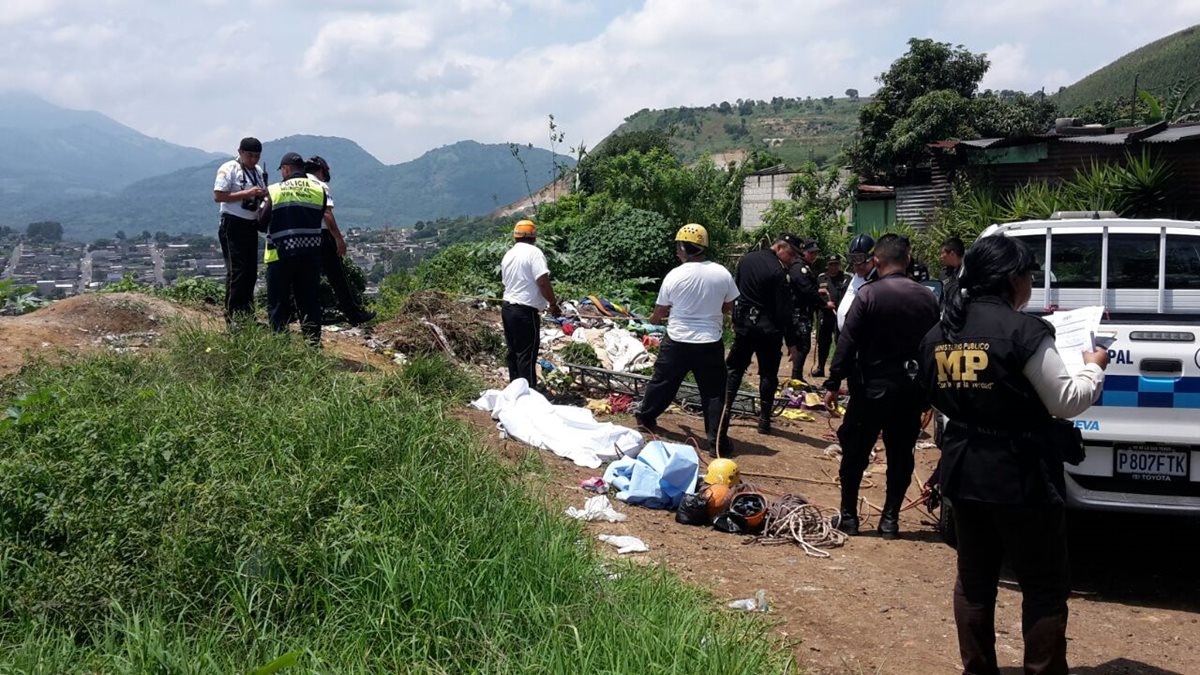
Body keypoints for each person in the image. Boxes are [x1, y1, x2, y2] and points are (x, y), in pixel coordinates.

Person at [918, 235, 1108, 675]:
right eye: (1029, 275)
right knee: (1043, 584)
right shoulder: (1024, 332)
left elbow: (931, 393)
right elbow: (1066, 399)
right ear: (1012, 279)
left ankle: (977, 669)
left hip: (964, 467)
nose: (1030, 284)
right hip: (1022, 472)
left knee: (974, 580)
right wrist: (1094, 365)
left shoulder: (940, 333)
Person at [823, 234, 939, 539]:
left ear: (877, 261)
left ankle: (849, 517)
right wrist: (929, 392)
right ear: (908, 260)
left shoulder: (869, 295)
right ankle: (890, 521)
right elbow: (934, 348)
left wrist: (834, 382)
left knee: (855, 455)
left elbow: (847, 343)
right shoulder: (927, 298)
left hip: (869, 389)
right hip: (909, 391)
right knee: (901, 457)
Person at [635, 224, 739, 457]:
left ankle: (646, 418)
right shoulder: (722, 273)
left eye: (678, 247)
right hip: (710, 342)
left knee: (663, 382)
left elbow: (660, 312)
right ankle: (717, 442)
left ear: (684, 247)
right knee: (713, 393)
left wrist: (654, 318)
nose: (677, 252)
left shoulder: (675, 274)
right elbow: (729, 305)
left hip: (678, 340)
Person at [722, 233, 805, 436]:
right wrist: (792, 343)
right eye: (791, 254)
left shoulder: (746, 260)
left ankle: (724, 412)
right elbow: (784, 310)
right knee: (768, 374)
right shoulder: (778, 272)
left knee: (734, 370)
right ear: (779, 248)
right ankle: (765, 420)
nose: (793, 259)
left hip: (744, 326)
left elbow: (736, 292)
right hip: (768, 330)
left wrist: (735, 321)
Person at [258, 152, 329, 345]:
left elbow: (261, 223)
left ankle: (280, 345)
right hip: (310, 254)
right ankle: (313, 344)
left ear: (286, 169)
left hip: (280, 254)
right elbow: (321, 215)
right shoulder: (319, 190)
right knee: (309, 301)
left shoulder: (275, 190)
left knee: (279, 302)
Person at [305, 156, 375, 326]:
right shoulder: (320, 186)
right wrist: (338, 239)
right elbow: (327, 214)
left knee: (306, 278)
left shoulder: (295, 184)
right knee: (337, 277)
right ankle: (353, 314)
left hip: (301, 237)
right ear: (321, 170)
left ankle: (307, 315)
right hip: (321, 235)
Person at [213, 137, 267, 326]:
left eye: (257, 156)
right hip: (232, 224)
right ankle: (232, 317)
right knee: (237, 271)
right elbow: (218, 196)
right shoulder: (229, 168)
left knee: (250, 272)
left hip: (251, 225)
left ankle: (247, 315)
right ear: (240, 152)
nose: (253, 160)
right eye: (250, 155)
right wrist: (248, 193)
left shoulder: (258, 171)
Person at [500, 220, 559, 388]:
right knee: (527, 354)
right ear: (533, 237)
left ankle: (515, 391)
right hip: (525, 312)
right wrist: (553, 304)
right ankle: (529, 395)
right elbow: (542, 282)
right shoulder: (534, 253)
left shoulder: (508, 255)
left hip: (508, 308)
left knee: (513, 353)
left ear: (516, 237)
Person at [787, 239, 824, 382]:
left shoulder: (805, 267)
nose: (813, 256)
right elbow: (806, 290)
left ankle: (797, 376)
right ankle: (796, 377)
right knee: (802, 345)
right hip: (799, 313)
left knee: (803, 345)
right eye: (811, 253)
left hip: (804, 312)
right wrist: (823, 304)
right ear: (803, 252)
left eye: (815, 253)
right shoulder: (798, 267)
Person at [813, 254, 850, 378]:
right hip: (825, 315)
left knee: (840, 342)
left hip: (841, 315)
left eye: (836, 264)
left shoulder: (846, 278)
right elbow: (814, 294)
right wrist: (824, 305)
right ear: (827, 265)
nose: (833, 267)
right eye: (831, 264)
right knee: (823, 343)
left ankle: (839, 369)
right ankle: (820, 367)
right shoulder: (821, 278)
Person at [836, 233, 876, 331]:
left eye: (862, 261)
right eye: (854, 260)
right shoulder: (851, 279)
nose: (859, 266)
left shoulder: (878, 283)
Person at [939, 235, 965, 311]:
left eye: (942, 253)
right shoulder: (944, 274)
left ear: (952, 254)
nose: (940, 257)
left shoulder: (969, 271)